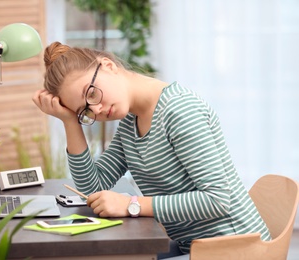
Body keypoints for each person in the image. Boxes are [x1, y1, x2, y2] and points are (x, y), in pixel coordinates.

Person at [32, 41, 271, 257]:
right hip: (196, 246)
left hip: (236, 248)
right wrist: (70, 121)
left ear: (107, 65)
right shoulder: (130, 122)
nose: (98, 109)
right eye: (86, 111)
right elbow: (93, 187)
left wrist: (131, 205)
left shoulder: (179, 110)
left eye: (91, 93)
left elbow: (217, 200)